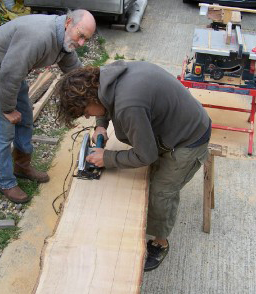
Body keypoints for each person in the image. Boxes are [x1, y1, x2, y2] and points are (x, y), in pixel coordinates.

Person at [56, 60, 212, 272]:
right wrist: (101, 126)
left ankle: (160, 243)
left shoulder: (129, 105)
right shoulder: (106, 76)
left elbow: (146, 155)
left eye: (86, 112)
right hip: (176, 122)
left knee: (160, 192)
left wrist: (107, 158)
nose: (88, 116)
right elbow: (103, 104)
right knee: (146, 175)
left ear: (90, 97)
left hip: (190, 139)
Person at [0, 9, 96, 203]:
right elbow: (10, 74)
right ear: (68, 22)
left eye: (85, 40)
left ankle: (21, 165)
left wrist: (94, 89)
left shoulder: (64, 39)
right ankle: (5, 182)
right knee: (3, 131)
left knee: (26, 118)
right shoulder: (39, 37)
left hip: (12, 72)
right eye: (81, 36)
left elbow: (75, 71)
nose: (81, 43)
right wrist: (7, 109)